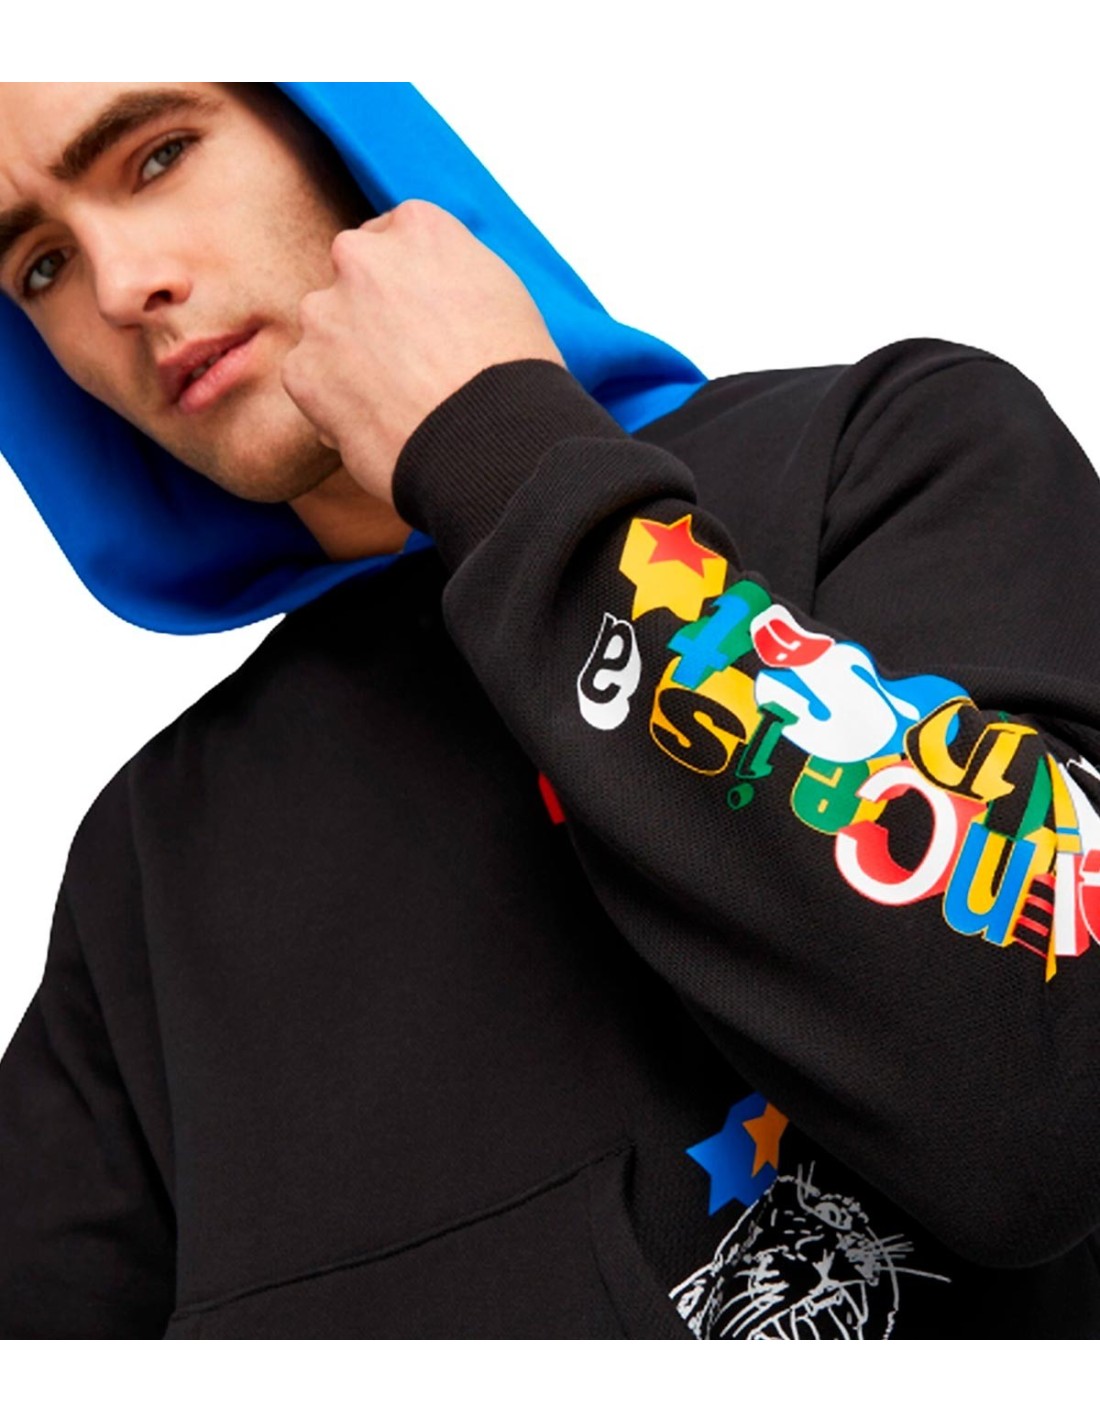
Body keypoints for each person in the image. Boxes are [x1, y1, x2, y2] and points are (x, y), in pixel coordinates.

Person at [0, 81, 1098, 1341]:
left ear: (331, 125)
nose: (118, 286)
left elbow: (1042, 1099)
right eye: (39, 267)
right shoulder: (148, 860)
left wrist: (488, 442)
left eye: (158, 157)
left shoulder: (881, 452)